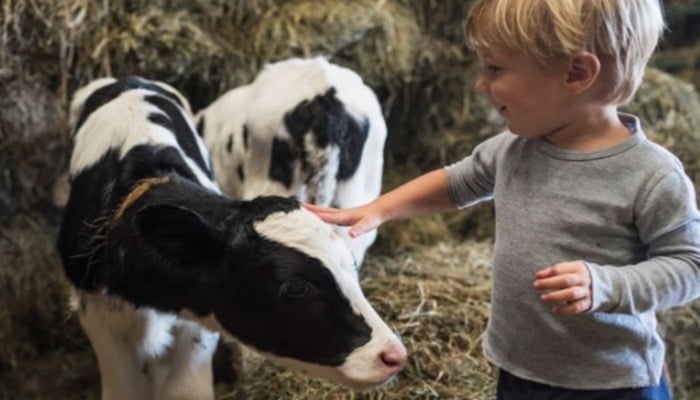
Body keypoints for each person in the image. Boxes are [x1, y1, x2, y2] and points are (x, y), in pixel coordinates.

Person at [304, 0, 700, 399]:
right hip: (520, 369)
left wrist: (608, 285)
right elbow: (457, 182)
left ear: (576, 73)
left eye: (494, 68)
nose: (480, 84)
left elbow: (689, 265)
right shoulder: (514, 147)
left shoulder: (651, 175)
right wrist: (379, 209)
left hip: (613, 383)